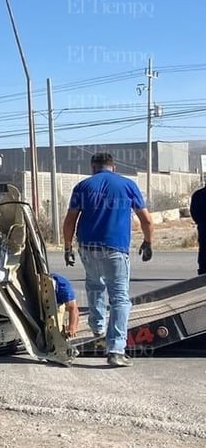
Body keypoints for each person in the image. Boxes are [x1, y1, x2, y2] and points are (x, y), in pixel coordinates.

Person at [62, 152, 154, 368]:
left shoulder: (83, 186)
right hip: (115, 249)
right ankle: (115, 350)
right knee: (120, 298)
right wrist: (148, 242)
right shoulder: (127, 185)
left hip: (87, 247)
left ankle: (97, 326)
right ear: (113, 167)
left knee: (94, 284)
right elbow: (147, 220)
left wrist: (67, 247)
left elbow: (69, 222)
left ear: (94, 167)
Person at [51, 272, 79, 338]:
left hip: (58, 302)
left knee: (54, 328)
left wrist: (72, 328)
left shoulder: (64, 288)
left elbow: (73, 309)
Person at [189, 182, 206, 276]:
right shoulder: (198, 194)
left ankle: (203, 271)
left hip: (203, 226)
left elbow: (194, 212)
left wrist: (200, 222)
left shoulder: (198, 194)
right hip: (203, 225)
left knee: (203, 249)